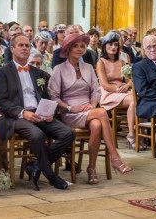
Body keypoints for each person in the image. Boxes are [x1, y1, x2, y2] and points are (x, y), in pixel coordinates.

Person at [48, 33, 132, 185]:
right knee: (101, 113)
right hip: (69, 112)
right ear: (68, 49)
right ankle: (115, 158)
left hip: (89, 109)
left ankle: (91, 168)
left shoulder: (87, 67)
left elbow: (96, 90)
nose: (80, 49)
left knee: (97, 124)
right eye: (76, 46)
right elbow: (53, 97)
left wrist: (93, 103)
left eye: (82, 46)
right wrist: (70, 107)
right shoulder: (59, 69)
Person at [0, 34, 75, 191]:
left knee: (68, 133)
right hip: (15, 116)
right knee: (37, 135)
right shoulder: (2, 72)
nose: (25, 48)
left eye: (27, 45)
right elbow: (1, 101)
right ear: (12, 49)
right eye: (21, 45)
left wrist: (50, 111)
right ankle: (51, 176)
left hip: (40, 114)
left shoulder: (37, 73)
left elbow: (46, 96)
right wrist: (23, 113)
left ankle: (36, 166)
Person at [95, 31, 138, 149]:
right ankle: (131, 134)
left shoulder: (121, 62)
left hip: (122, 91)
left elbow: (129, 80)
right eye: (110, 44)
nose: (113, 47)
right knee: (133, 100)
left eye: (115, 44)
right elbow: (104, 84)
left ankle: (141, 136)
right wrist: (118, 88)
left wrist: (126, 86)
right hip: (109, 93)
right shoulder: (101, 62)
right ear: (104, 46)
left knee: (138, 99)